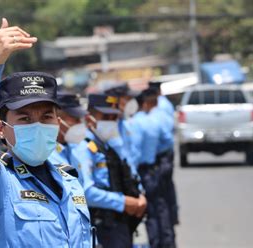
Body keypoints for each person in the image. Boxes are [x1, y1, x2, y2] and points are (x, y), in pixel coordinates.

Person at [0, 18, 91, 247]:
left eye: (46, 117)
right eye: (25, 119)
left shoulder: (69, 180)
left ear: (58, 123)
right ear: (1, 128)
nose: (37, 125)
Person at [72, 93, 146, 248]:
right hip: (102, 226)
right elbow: (86, 192)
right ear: (89, 117)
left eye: (114, 118)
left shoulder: (107, 144)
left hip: (119, 222)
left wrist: (139, 195)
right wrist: (123, 202)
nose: (111, 122)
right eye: (105, 117)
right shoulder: (84, 147)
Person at [132, 88, 176, 248]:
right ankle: (168, 242)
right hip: (154, 167)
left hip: (142, 171)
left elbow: (134, 155)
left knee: (150, 213)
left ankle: (156, 243)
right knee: (161, 208)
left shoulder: (135, 123)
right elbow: (168, 141)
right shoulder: (154, 120)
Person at [149, 81, 179, 226]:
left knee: (159, 197)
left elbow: (164, 135)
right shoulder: (166, 103)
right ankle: (172, 218)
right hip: (167, 153)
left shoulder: (156, 107)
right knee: (167, 190)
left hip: (159, 155)